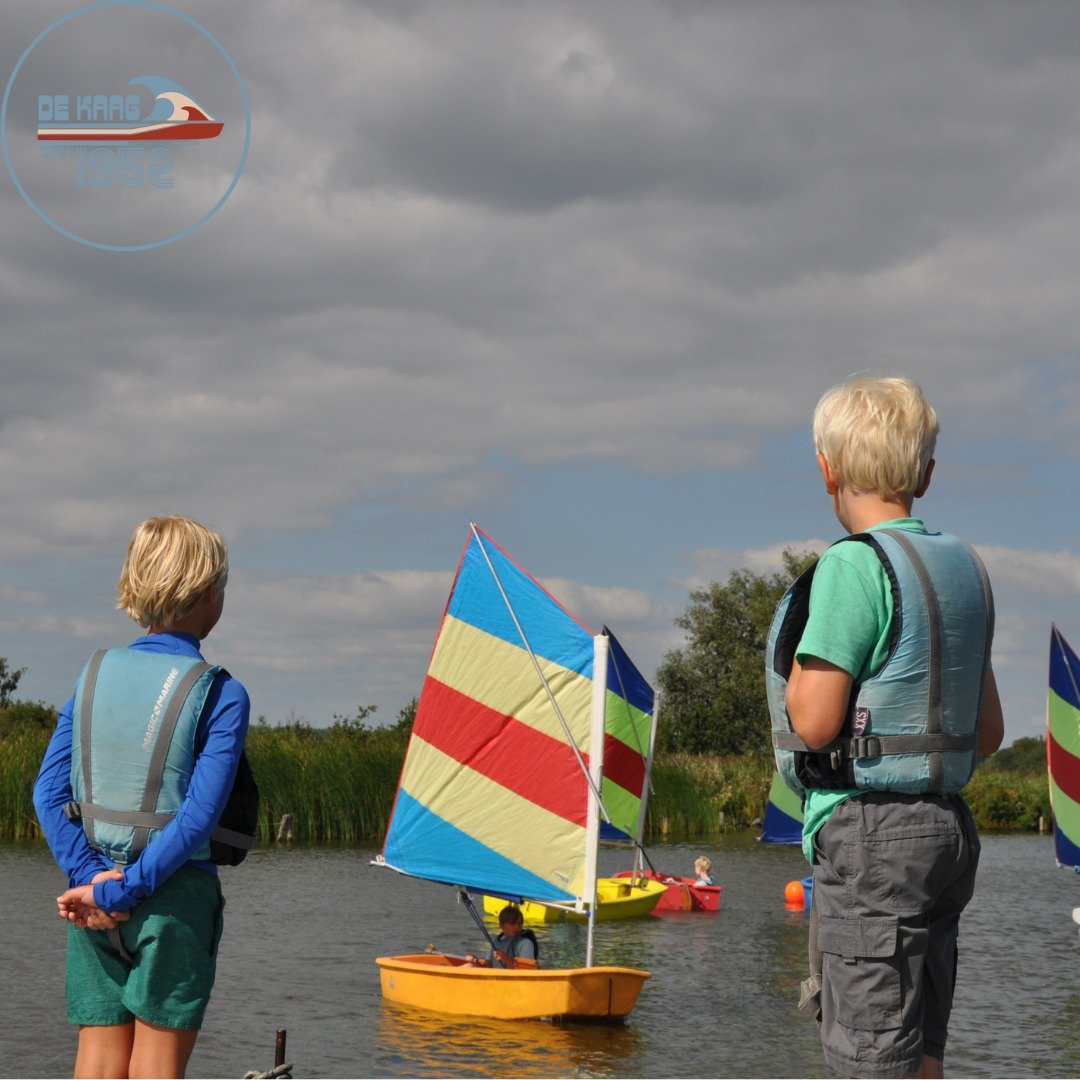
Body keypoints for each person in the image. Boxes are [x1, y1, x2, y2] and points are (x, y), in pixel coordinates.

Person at [771, 376, 1004, 1079]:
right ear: (927, 474)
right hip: (947, 833)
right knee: (921, 1052)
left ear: (826, 468)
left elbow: (814, 723)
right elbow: (987, 731)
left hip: (871, 838)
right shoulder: (965, 569)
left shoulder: (852, 567)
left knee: (870, 1056)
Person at [33, 515, 251, 1080]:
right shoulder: (221, 691)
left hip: (92, 896)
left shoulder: (92, 673)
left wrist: (96, 882)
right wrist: (129, 888)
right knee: (156, 1069)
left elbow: (47, 792)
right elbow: (199, 816)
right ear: (209, 594)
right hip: (173, 900)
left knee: (98, 1065)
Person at [464, 905, 538, 969]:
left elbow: (527, 970)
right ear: (501, 925)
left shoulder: (525, 943)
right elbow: (488, 967)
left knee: (468, 967)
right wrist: (475, 961)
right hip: (497, 981)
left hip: (515, 982)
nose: (516, 927)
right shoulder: (496, 942)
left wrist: (505, 959)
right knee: (469, 965)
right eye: (512, 924)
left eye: (519, 923)